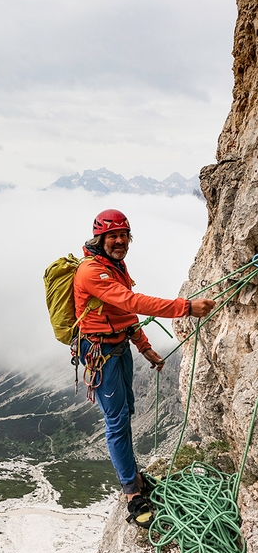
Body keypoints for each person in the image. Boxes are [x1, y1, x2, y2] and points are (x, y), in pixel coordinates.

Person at [73, 209, 215, 527]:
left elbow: (123, 314)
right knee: (117, 420)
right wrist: (186, 308)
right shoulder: (91, 272)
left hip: (118, 347)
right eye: (113, 236)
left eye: (124, 235)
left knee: (127, 410)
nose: (120, 241)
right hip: (100, 353)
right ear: (100, 239)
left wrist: (145, 346)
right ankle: (132, 495)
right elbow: (131, 302)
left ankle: (133, 476)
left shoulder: (115, 266)